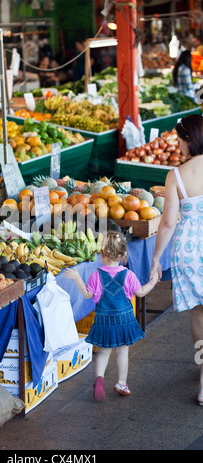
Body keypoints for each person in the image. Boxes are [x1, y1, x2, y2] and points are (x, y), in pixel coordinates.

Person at [65, 231, 159, 402]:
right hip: (124, 321)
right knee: (122, 352)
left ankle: (99, 379)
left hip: (103, 321)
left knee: (102, 352)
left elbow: (87, 294)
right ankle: (121, 383)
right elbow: (141, 292)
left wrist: (77, 277)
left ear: (102, 254)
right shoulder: (128, 275)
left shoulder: (96, 275)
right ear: (124, 254)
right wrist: (152, 282)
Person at [149, 114, 203, 405]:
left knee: (199, 314)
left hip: (189, 250)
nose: (179, 146)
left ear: (188, 139)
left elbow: (168, 223)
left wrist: (156, 259)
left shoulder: (177, 175)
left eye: (180, 140)